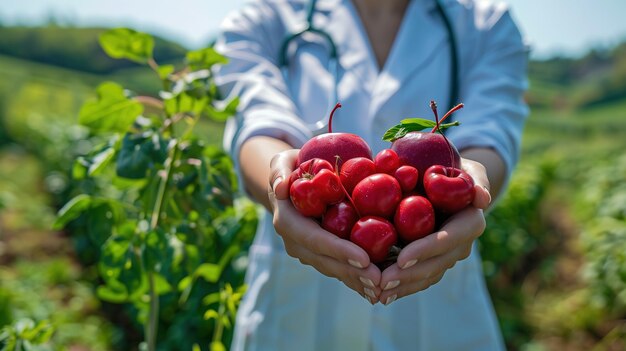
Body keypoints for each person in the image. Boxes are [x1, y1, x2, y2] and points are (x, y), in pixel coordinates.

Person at [213, 0, 528, 349]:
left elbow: (490, 136)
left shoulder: (485, 21)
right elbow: (257, 124)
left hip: (440, 319)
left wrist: (469, 184)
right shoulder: (267, 14)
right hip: (293, 316)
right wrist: (282, 187)